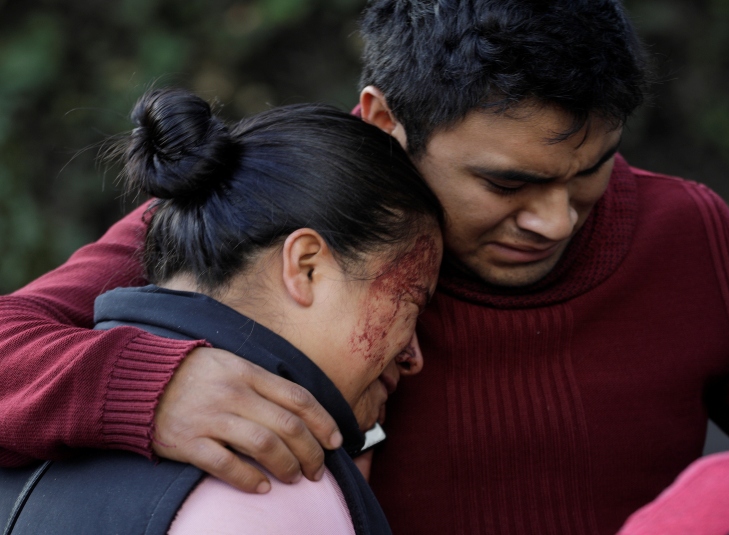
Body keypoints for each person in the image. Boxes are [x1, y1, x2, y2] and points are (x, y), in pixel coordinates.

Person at [1, 1, 729, 534]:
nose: (555, 220)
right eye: (507, 183)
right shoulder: (264, 205)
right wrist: (150, 387)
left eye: (592, 168)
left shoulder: (686, 234)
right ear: (386, 120)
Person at [0, 88, 443, 535]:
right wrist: (148, 388)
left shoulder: (219, 196)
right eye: (412, 300)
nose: (414, 354)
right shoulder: (266, 487)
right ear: (306, 267)